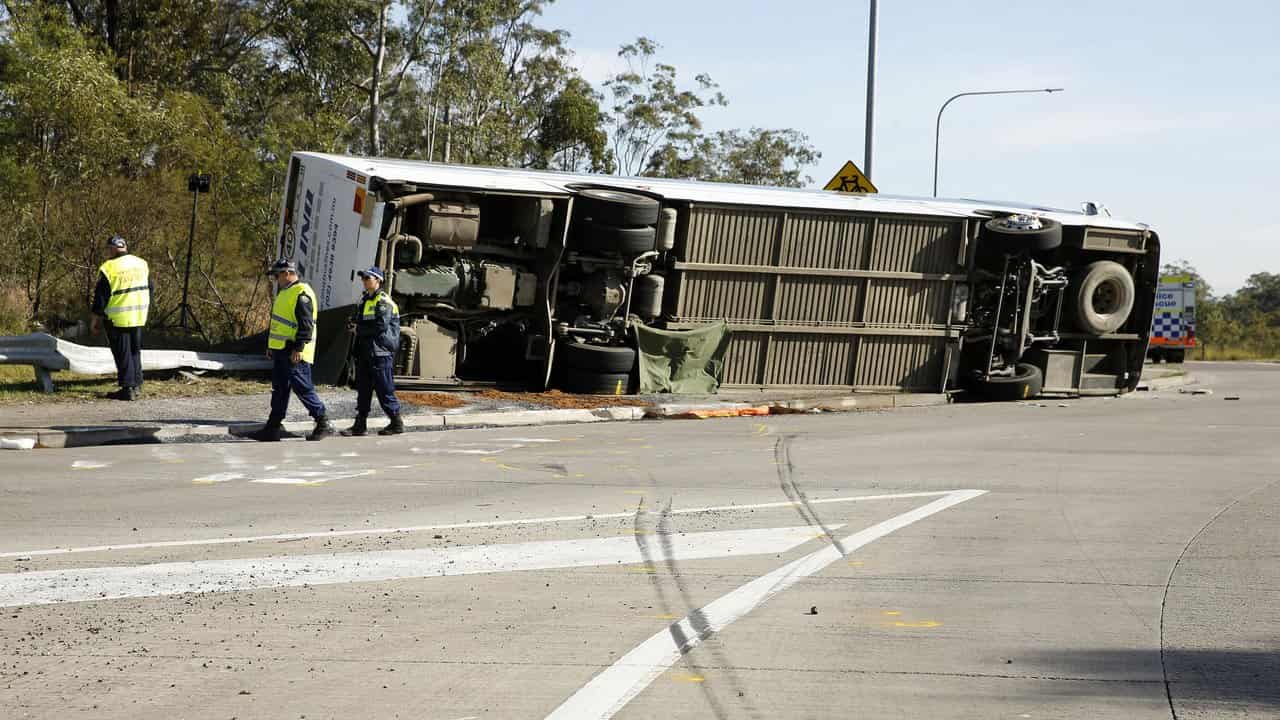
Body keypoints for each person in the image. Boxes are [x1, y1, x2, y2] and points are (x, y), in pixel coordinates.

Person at [248, 259, 335, 442]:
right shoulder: (285, 292)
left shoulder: (301, 293)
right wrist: (272, 347)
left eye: (277, 275)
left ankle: (323, 422)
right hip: (281, 350)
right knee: (279, 389)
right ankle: (273, 428)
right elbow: (280, 324)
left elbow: (306, 325)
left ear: (287, 273)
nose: (276, 279)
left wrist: (299, 347)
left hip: (294, 352)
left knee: (303, 388)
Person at [342, 267, 404, 436]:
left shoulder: (383, 301)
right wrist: (353, 323)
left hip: (380, 352)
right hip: (366, 352)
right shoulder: (365, 301)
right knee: (363, 390)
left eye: (368, 278)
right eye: (363, 278)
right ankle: (360, 425)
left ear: (378, 280)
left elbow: (380, 326)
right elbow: (363, 322)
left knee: (384, 389)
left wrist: (358, 328)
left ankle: (396, 422)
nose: (364, 281)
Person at [90, 235, 152, 401]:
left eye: (107, 249)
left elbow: (101, 297)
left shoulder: (109, 267)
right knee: (134, 351)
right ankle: (137, 384)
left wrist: (95, 320)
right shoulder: (141, 263)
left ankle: (127, 388)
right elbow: (150, 288)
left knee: (122, 352)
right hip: (139, 315)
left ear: (111, 248)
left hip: (118, 317)